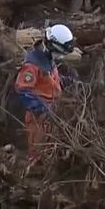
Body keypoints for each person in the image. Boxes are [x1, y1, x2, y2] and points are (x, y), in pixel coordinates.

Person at [15, 25, 73, 158]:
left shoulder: (48, 60)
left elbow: (48, 80)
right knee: (39, 154)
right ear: (52, 46)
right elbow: (22, 90)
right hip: (39, 118)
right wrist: (42, 109)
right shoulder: (32, 64)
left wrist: (65, 81)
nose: (60, 57)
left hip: (53, 114)